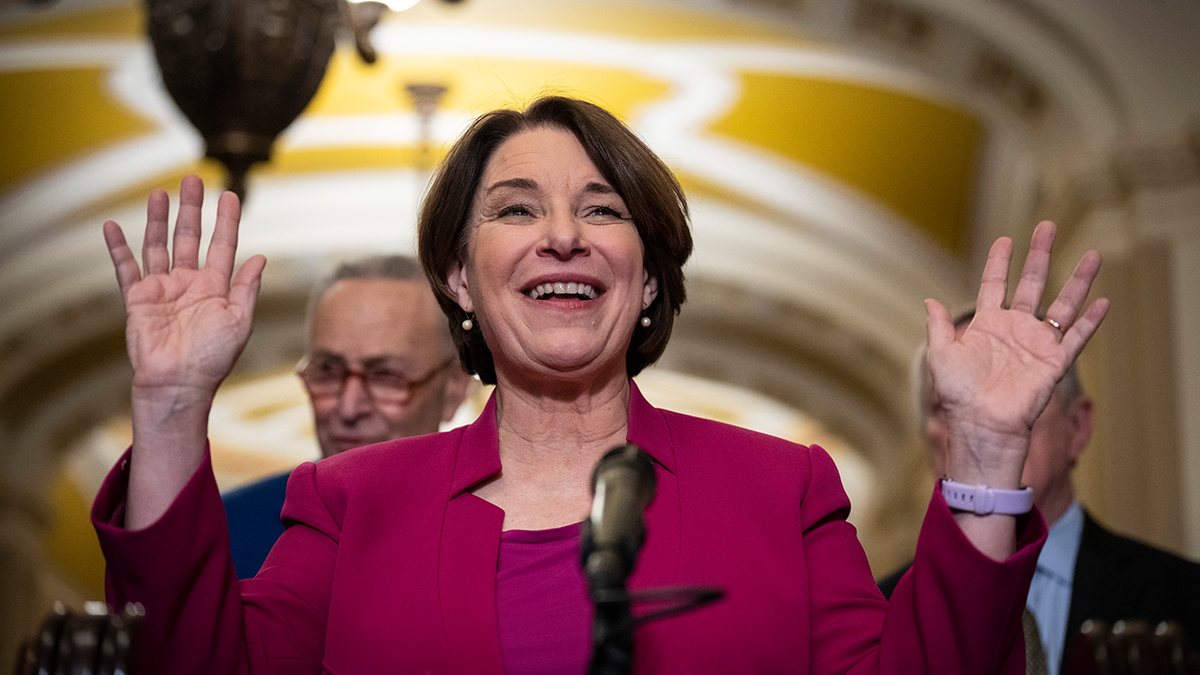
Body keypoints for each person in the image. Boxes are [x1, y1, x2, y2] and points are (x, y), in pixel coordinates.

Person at [91, 95, 1108, 674]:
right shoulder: (350, 504)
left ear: (652, 272)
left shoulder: (784, 489)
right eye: (515, 209)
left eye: (601, 209)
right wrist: (172, 406)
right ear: (458, 276)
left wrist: (984, 452)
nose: (563, 234)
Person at [877, 311, 1200, 675]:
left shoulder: (1188, 596)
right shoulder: (882, 612)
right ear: (928, 442)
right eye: (954, 403)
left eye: (1016, 392)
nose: (992, 422)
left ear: (1077, 427)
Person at [221, 255, 472, 579]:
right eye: (328, 371)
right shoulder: (226, 533)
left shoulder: (501, 537)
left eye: (385, 376)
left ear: (453, 389)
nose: (348, 408)